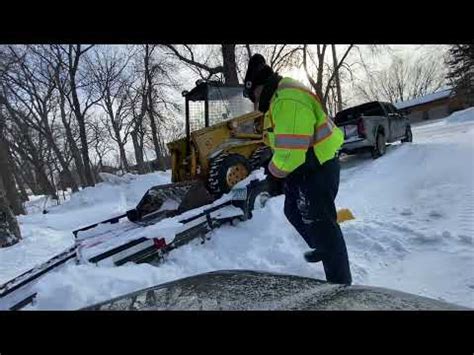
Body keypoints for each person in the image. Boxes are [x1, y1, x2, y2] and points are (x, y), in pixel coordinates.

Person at [243, 54, 352, 285]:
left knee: (323, 224)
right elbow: (283, 141)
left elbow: (291, 154)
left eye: (252, 96)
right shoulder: (278, 98)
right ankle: (322, 246)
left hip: (319, 165)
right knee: (292, 211)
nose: (254, 102)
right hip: (305, 165)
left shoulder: (286, 100)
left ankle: (341, 286)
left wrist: (273, 172)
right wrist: (272, 159)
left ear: (259, 88)